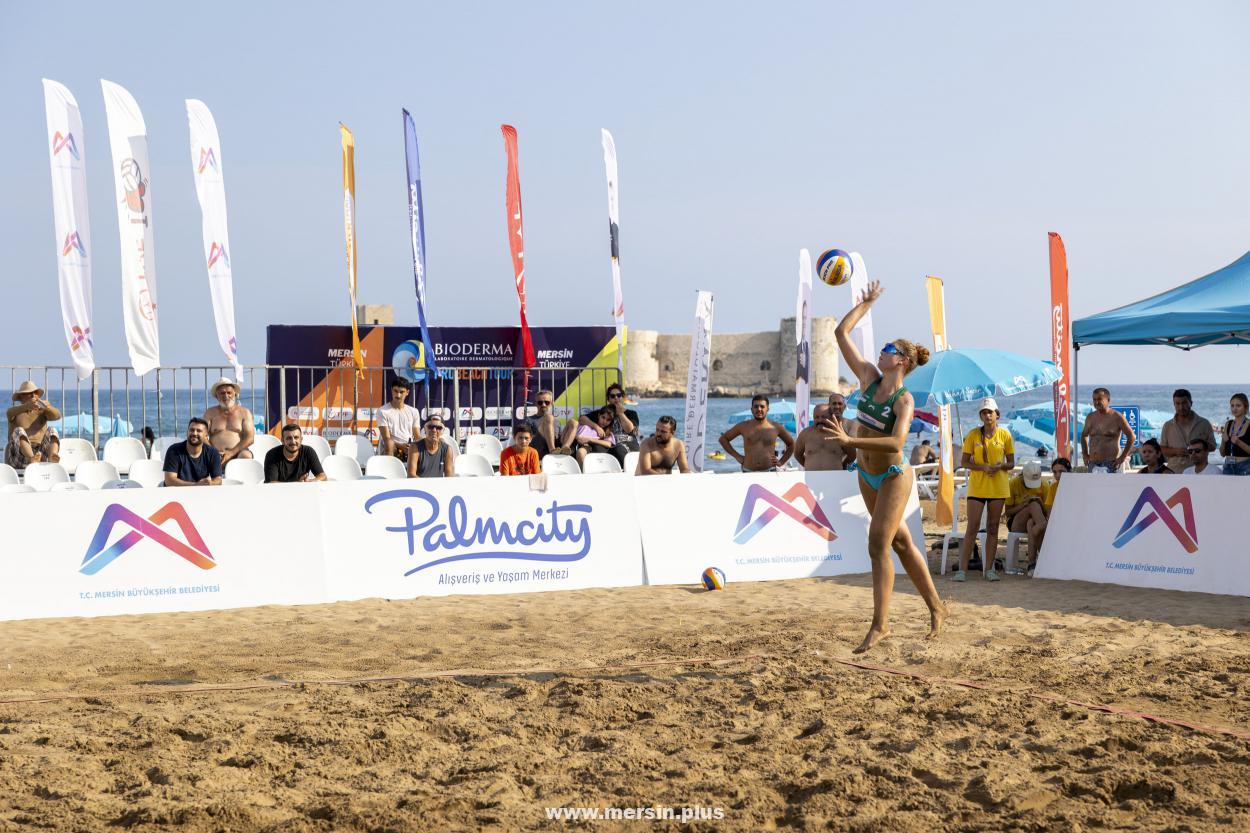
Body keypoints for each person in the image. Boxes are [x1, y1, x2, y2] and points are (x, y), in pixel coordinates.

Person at [817, 280, 947, 653]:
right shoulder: (868, 377)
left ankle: (880, 625)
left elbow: (895, 443)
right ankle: (937, 608)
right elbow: (840, 332)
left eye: (889, 349)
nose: (882, 350)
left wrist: (849, 441)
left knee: (878, 545)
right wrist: (868, 303)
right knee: (902, 543)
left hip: (893, 475)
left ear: (902, 361)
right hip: (866, 473)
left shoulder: (904, 400)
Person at [954, 397, 1015, 582]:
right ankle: (962, 571)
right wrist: (982, 467)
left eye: (990, 412)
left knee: (993, 528)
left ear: (997, 414)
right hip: (978, 486)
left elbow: (1011, 463)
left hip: (998, 486)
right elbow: (963, 462)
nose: (987, 415)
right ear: (981, 415)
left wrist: (1000, 467)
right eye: (984, 412)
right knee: (971, 527)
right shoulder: (973, 434)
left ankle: (989, 569)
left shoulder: (1005, 435)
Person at [561, 383, 638, 467]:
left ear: (623, 397)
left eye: (618, 395)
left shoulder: (631, 413)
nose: (616, 398)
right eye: (612, 396)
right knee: (594, 449)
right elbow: (582, 419)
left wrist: (621, 413)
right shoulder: (605, 412)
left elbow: (629, 430)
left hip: (627, 444)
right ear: (608, 399)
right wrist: (596, 427)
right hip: (609, 445)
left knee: (619, 449)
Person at [719, 395, 795, 472]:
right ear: (751, 409)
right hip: (748, 471)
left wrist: (781, 462)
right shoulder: (743, 426)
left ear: (767, 409)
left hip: (770, 471)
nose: (759, 409)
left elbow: (792, 444)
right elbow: (723, 439)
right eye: (756, 407)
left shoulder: (776, 427)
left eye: (762, 406)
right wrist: (737, 457)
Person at [5, 380, 61, 469]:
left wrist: (48, 408)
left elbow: (57, 416)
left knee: (52, 430)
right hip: (19, 457)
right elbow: (9, 413)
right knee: (19, 430)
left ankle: (52, 456)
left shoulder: (42, 411)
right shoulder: (15, 412)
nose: (33, 395)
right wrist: (26, 406)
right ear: (21, 397)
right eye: (29, 393)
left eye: (35, 393)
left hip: (40, 455)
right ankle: (31, 458)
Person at [1160, 389, 1216, 474]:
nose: (1181, 407)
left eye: (1184, 403)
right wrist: (1176, 451)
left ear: (1191, 403)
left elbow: (1213, 446)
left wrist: (1197, 449)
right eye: (1177, 404)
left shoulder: (1204, 423)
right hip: (1174, 471)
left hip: (1198, 472)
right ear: (1174, 405)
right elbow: (1162, 449)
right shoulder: (1167, 425)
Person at [1005, 460, 1047, 574]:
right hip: (1016, 522)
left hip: (1034, 521)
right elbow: (1008, 513)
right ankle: (1046, 555)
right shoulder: (1013, 484)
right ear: (1022, 476)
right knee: (1032, 504)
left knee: (1031, 523)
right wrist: (1023, 505)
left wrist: (1041, 503)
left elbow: (1047, 512)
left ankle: (1032, 563)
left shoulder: (1044, 485)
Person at [1080, 388, 1134, 473]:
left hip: (1111, 463)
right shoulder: (1090, 417)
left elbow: (1131, 437)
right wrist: (1085, 454)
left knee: (1110, 486)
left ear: (1108, 400)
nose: (1096, 402)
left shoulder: (1117, 417)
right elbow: (1084, 435)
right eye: (1094, 399)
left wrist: (1123, 457)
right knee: (1093, 486)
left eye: (1099, 399)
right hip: (1093, 463)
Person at [203, 377, 255, 464]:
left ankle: (240, 478)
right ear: (217, 396)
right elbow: (203, 435)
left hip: (238, 452)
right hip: (214, 454)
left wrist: (231, 453)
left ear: (235, 394)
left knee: (246, 456)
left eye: (229, 392)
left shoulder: (245, 412)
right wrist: (213, 452)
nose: (226, 396)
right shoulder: (210, 413)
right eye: (222, 393)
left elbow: (250, 438)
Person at [162, 418, 223, 486]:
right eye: (191, 430)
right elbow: (169, 481)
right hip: (176, 493)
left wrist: (210, 483)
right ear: (187, 432)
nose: (194, 433)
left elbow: (218, 480)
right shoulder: (174, 450)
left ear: (206, 435)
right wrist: (195, 485)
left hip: (200, 492)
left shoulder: (213, 453)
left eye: (199, 431)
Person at [793, 404, 849, 471]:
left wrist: (842, 466)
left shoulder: (839, 434)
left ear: (831, 417)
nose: (820, 420)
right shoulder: (805, 434)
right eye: (816, 417)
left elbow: (852, 455)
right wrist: (809, 466)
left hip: (835, 478)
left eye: (824, 417)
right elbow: (797, 454)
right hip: (811, 478)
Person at [377, 377, 420, 462]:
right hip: (392, 448)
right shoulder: (382, 411)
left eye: (401, 392)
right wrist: (401, 446)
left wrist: (419, 444)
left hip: (410, 447)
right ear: (391, 390)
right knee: (389, 443)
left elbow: (417, 436)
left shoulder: (414, 411)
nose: (398, 395)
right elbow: (386, 438)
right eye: (395, 391)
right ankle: (389, 472)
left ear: (407, 392)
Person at [1220, 393, 1250, 476]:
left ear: (1245, 407)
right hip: (1228, 467)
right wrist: (1223, 441)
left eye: (1238, 406)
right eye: (1232, 406)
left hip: (1245, 466)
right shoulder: (1228, 424)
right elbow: (1222, 454)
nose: (1234, 409)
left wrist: (1239, 442)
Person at [529, 390, 559, 460]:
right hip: (538, 456)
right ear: (535, 404)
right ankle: (552, 450)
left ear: (552, 403)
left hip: (556, 458)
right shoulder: (529, 420)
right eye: (540, 402)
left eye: (547, 402)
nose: (543, 405)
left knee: (573, 423)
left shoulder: (557, 422)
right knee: (549, 417)